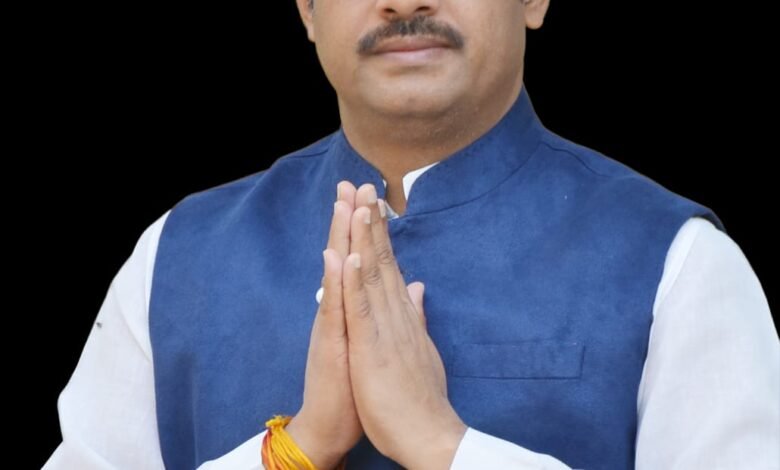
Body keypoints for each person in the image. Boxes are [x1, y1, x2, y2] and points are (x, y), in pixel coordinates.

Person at [44, 0, 779, 468]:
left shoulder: (677, 262)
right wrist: (297, 448)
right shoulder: (179, 256)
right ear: (306, 9)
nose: (403, 3)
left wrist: (442, 445)